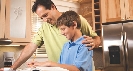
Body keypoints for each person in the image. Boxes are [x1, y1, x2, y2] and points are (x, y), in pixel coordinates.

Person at [0, 0, 100, 70]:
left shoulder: (78, 19)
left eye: (45, 15)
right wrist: (12, 68)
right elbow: (31, 47)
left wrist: (95, 42)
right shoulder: (45, 28)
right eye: (41, 18)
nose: (44, 20)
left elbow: (96, 38)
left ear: (52, 7)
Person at [28, 10, 93, 71]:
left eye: (63, 29)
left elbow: (77, 69)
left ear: (74, 25)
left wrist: (50, 63)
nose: (61, 33)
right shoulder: (66, 46)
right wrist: (40, 65)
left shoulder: (86, 44)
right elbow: (59, 67)